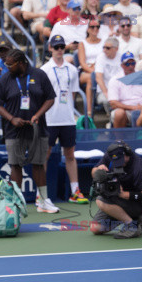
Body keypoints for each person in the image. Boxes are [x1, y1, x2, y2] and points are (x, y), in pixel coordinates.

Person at [0, 49, 57, 212]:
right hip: (14, 130)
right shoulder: (5, 79)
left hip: (37, 128)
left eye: (10, 64)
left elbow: (50, 98)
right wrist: (12, 118)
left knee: (38, 164)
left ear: (20, 63)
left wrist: (37, 114)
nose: (7, 67)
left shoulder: (39, 75)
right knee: (15, 165)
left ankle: (43, 201)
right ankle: (15, 202)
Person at [41, 35, 88, 204]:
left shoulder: (72, 69)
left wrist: (67, 109)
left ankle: (75, 191)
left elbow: (73, 94)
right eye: (56, 47)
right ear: (50, 48)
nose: (59, 50)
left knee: (70, 155)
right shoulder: (45, 70)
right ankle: (42, 194)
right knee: (44, 156)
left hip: (67, 119)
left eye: (61, 46)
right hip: (49, 119)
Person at [90, 141, 142, 239]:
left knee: (100, 201)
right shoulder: (111, 155)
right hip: (114, 198)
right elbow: (93, 171)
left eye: (121, 160)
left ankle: (132, 226)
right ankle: (135, 220)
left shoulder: (140, 169)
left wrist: (124, 194)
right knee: (95, 228)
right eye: (115, 161)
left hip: (136, 203)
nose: (118, 164)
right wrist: (99, 171)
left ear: (127, 153)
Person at [108, 52, 142, 128]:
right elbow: (113, 103)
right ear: (122, 65)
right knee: (119, 113)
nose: (130, 66)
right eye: (127, 64)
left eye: (133, 63)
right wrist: (132, 107)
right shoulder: (115, 79)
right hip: (125, 110)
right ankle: (119, 139)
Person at [78, 18, 103, 116]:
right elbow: (82, 63)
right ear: (88, 29)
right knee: (90, 78)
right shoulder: (82, 43)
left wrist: (97, 69)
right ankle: (89, 112)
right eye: (92, 27)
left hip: (99, 69)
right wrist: (93, 72)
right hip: (86, 71)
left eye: (97, 27)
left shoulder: (104, 42)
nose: (95, 29)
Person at [95, 37, 122, 115]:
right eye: (104, 47)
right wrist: (106, 93)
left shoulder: (121, 57)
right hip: (104, 90)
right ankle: (111, 120)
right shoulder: (101, 57)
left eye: (108, 48)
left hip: (119, 90)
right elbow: (98, 77)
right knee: (107, 99)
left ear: (116, 49)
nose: (104, 50)